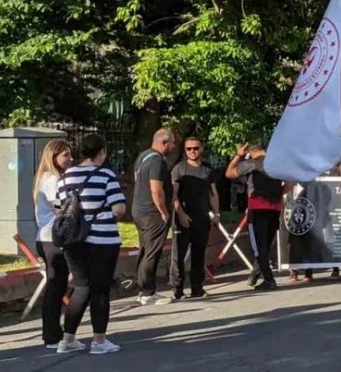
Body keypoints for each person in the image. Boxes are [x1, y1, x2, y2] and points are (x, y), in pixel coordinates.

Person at [55, 134, 127, 355]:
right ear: (102, 152)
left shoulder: (65, 177)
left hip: (73, 241)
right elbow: (119, 209)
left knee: (80, 287)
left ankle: (67, 340)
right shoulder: (106, 175)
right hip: (102, 240)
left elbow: (60, 209)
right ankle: (99, 341)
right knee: (100, 290)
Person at [226, 144, 285, 291]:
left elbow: (229, 173)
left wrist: (238, 155)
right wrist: (279, 194)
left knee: (258, 247)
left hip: (258, 207)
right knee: (266, 244)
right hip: (275, 207)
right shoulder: (278, 163)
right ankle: (257, 275)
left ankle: (269, 279)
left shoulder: (252, 163)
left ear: (251, 153)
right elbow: (291, 182)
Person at [33, 139, 73, 349]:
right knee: (55, 287)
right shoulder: (52, 179)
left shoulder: (52, 178)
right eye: (66, 155)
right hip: (52, 238)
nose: (70, 159)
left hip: (50, 237)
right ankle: (51, 335)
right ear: (53, 156)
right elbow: (59, 206)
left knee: (57, 286)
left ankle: (54, 332)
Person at [170, 136, 219, 300]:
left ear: (202, 148)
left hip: (202, 218)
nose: (192, 151)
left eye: (195, 148)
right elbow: (173, 195)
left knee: (199, 253)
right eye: (189, 149)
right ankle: (177, 289)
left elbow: (213, 193)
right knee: (179, 255)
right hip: (182, 218)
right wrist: (181, 214)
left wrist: (216, 213)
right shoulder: (179, 169)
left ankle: (197, 287)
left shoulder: (207, 170)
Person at [132, 128, 177, 306]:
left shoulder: (143, 156)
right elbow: (156, 189)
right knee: (152, 251)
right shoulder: (158, 161)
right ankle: (147, 293)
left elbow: (136, 178)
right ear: (163, 143)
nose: (174, 146)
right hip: (152, 213)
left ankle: (144, 290)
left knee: (145, 249)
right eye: (172, 143)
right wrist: (164, 211)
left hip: (139, 210)